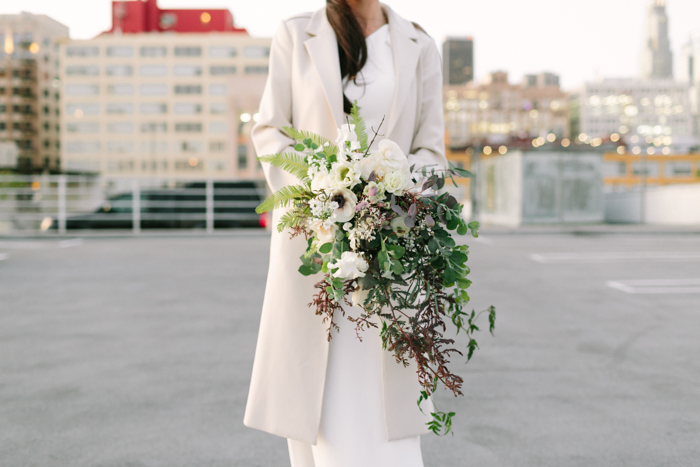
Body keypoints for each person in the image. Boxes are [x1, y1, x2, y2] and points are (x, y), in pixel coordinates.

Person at [244, 1, 446, 465]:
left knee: (382, 402)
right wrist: (322, 192)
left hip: (389, 245)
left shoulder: (419, 44)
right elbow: (270, 131)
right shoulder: (296, 33)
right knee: (316, 396)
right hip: (313, 244)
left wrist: (391, 198)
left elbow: (430, 149)